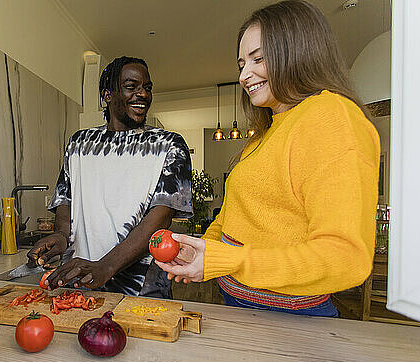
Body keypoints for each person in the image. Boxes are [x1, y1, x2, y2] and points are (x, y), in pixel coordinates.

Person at [156, 0, 380, 317]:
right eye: (241, 65)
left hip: (291, 319)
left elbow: (346, 258)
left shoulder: (332, 119)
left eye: (258, 59)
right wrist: (202, 248)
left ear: (299, 51)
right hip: (240, 304)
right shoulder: (265, 133)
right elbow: (232, 216)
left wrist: (230, 260)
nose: (245, 75)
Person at [27, 56, 193, 297]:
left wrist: (106, 266)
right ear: (107, 94)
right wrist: (62, 236)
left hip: (142, 285)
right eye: (131, 86)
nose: (143, 94)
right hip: (82, 279)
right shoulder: (79, 143)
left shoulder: (169, 145)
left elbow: (161, 216)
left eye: (147, 88)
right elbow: (66, 199)